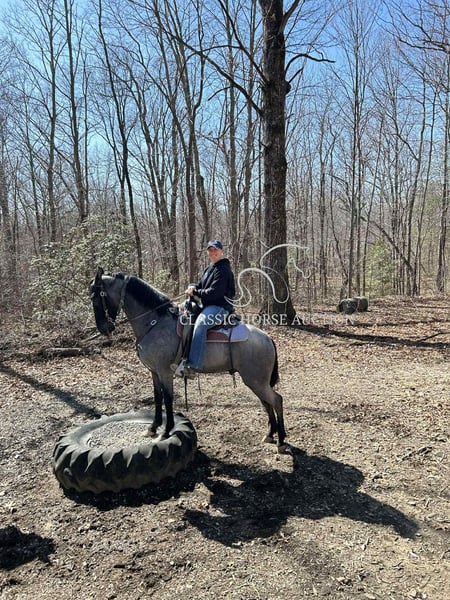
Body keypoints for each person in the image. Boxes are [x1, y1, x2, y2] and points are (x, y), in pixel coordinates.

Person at [175, 240, 235, 379]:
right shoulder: (210, 268)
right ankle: (179, 357)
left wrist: (195, 292)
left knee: (201, 325)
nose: (213, 253)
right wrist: (193, 287)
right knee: (179, 312)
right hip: (207, 305)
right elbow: (201, 284)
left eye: (215, 250)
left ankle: (193, 366)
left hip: (220, 307)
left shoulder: (223, 269)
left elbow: (215, 293)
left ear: (221, 251)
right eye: (210, 250)